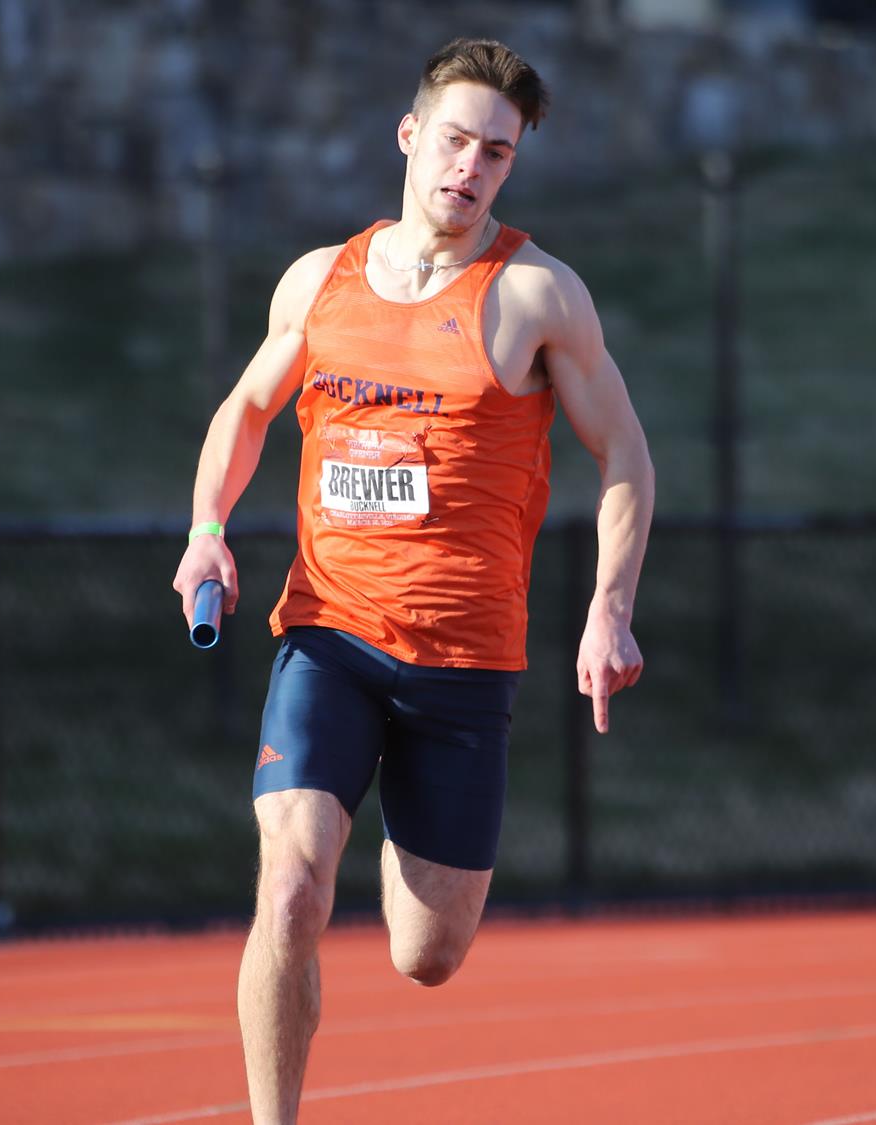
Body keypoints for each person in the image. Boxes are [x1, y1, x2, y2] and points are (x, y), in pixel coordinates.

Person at [172, 36, 654, 1123]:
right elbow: (246, 411)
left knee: (426, 954)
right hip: (328, 636)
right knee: (290, 881)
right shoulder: (319, 281)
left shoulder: (537, 295)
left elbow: (623, 454)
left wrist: (607, 610)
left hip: (462, 661)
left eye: (495, 152)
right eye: (453, 140)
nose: (468, 168)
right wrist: (207, 528)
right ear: (408, 135)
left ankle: (399, 819)